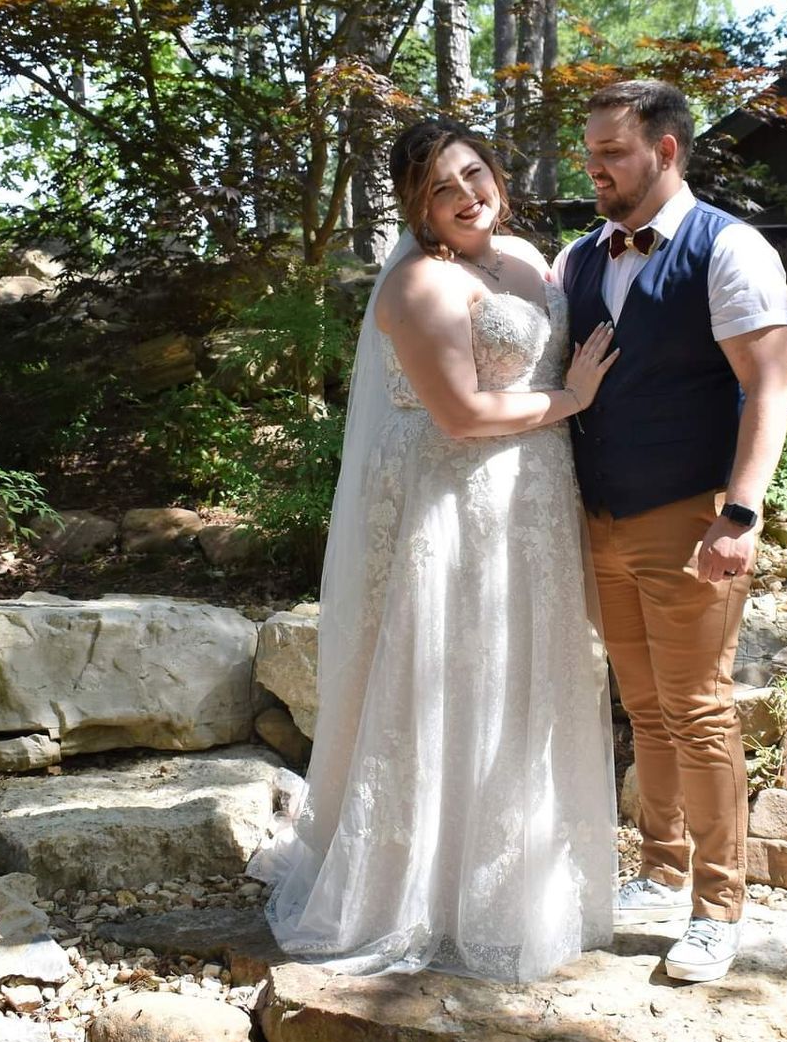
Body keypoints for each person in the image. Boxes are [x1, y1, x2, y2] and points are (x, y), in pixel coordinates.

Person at [249, 120, 621, 982]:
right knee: (452, 676)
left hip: (532, 498)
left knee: (526, 674)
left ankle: (521, 883)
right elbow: (458, 412)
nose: (467, 197)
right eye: (442, 190)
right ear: (417, 207)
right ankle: (426, 893)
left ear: (497, 173)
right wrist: (571, 396)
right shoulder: (419, 283)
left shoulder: (529, 258)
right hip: (452, 500)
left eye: (475, 174)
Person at [556, 80, 787, 984]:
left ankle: (718, 906)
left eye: (611, 153)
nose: (596, 169)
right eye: (590, 154)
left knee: (698, 711)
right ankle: (658, 871)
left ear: (664, 151)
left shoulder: (729, 247)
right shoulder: (580, 257)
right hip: (602, 516)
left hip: (692, 514)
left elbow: (769, 387)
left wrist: (741, 511)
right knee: (643, 705)